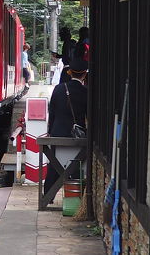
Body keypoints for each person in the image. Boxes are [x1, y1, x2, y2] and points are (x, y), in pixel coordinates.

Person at [43, 58, 88, 196]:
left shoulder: (59, 89)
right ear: (85, 74)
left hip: (58, 133)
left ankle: (48, 196)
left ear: (69, 73)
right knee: (76, 164)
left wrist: (50, 131)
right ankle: (75, 195)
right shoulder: (86, 92)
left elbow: (52, 112)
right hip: (77, 135)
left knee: (54, 165)